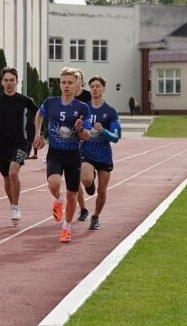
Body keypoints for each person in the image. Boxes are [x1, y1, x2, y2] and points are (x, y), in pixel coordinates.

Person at [33, 67, 90, 243]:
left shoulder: (82, 107)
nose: (66, 86)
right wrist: (38, 133)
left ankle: (66, 227)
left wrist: (81, 129)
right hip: (55, 153)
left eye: (70, 83)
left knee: (73, 194)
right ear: (59, 84)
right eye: (63, 82)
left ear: (77, 85)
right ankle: (58, 199)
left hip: (73, 155)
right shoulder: (51, 102)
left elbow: (87, 135)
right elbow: (39, 115)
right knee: (54, 183)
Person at [0, 67, 38, 226]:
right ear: (2, 82)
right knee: (6, 178)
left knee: (13, 173)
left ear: (17, 82)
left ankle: (15, 205)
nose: (9, 83)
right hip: (2, 144)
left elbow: (41, 113)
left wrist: (38, 133)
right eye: (6, 80)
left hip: (21, 142)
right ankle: (13, 204)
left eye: (12, 80)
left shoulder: (24, 100)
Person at [79, 75, 121, 230]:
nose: (95, 89)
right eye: (92, 86)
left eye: (98, 86)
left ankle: (95, 217)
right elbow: (77, 129)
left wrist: (103, 130)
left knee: (102, 190)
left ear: (103, 88)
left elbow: (116, 137)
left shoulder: (110, 111)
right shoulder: (84, 109)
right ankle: (90, 183)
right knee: (87, 180)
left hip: (104, 154)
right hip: (87, 152)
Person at [72, 68, 92, 221]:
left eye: (77, 79)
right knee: (75, 178)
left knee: (85, 178)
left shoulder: (88, 97)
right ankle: (83, 208)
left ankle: (91, 176)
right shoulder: (66, 97)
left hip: (88, 139)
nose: (75, 83)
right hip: (71, 141)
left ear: (81, 81)